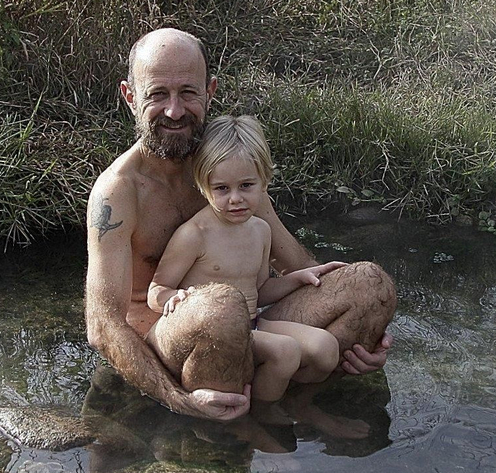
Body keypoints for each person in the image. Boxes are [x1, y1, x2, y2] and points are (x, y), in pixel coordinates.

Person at [84, 26, 396, 421]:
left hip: (251, 324)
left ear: (210, 91)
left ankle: (292, 405)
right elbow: (103, 326)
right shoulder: (118, 192)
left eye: (188, 93)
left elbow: (299, 265)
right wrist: (177, 401)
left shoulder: (229, 170)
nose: (175, 111)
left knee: (369, 284)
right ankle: (230, 428)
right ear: (130, 97)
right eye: (157, 95)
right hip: (168, 346)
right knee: (221, 309)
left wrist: (365, 334)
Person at [145, 114, 348, 405]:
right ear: (203, 185)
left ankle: (297, 404)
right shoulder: (194, 235)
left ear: (264, 181)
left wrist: (297, 279)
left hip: (253, 324)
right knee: (285, 351)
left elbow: (259, 290)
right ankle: (263, 417)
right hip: (216, 336)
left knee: (326, 348)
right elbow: (156, 291)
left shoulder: (261, 230)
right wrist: (173, 297)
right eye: (222, 188)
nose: (235, 198)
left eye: (246, 186)